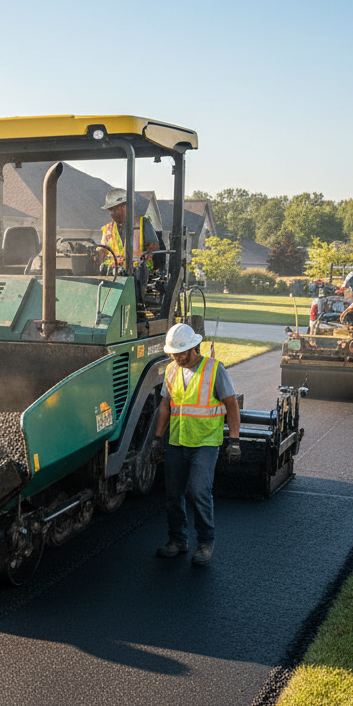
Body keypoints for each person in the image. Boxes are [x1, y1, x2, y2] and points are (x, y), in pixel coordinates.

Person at [152, 322, 241, 567]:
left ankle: (205, 543)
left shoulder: (215, 369)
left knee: (199, 492)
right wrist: (157, 439)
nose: (178, 358)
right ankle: (178, 540)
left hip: (205, 442)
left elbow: (231, 405)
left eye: (181, 353)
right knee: (172, 495)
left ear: (194, 348)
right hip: (177, 441)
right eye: (174, 354)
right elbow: (164, 406)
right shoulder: (170, 370)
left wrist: (234, 441)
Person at [97, 189, 160, 304]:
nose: (112, 213)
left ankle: (134, 304)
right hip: (113, 268)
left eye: (114, 209)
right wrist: (96, 254)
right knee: (101, 269)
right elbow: (103, 250)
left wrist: (146, 257)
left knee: (131, 271)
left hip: (138, 267)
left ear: (124, 206)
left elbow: (154, 245)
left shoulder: (142, 223)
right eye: (110, 210)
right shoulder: (107, 229)